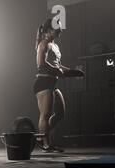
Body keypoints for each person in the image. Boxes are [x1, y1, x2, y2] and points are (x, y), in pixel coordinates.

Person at [33, 18, 72, 153]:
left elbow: (58, 65)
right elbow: (41, 64)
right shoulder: (44, 44)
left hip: (52, 83)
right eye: (58, 28)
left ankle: (42, 136)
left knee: (60, 113)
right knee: (45, 114)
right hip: (43, 83)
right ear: (50, 30)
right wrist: (57, 70)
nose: (61, 30)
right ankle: (45, 144)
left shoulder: (55, 46)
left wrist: (72, 71)